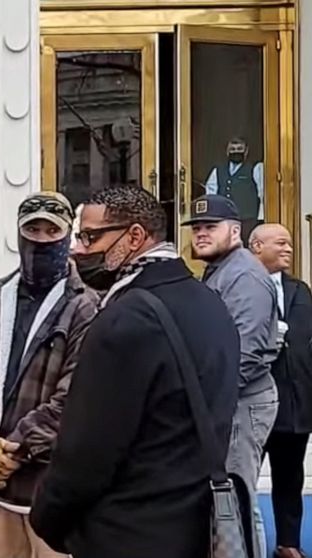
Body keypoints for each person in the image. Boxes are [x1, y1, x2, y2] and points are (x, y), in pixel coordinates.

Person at [31, 185, 240, 558]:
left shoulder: (124, 318)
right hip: (194, 530)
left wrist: (47, 517)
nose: (78, 249)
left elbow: (87, 451)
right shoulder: (210, 302)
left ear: (135, 236)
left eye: (90, 236)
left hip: (124, 533)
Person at [0, 192, 99, 558]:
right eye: (33, 229)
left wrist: (15, 447)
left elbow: (78, 395)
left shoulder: (87, 305)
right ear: (18, 234)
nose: (42, 239)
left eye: (52, 230)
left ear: (67, 236)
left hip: (50, 478)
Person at [187, 194, 279, 558]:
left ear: (236, 231)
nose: (201, 234)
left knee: (237, 499)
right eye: (196, 228)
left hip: (241, 402)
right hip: (228, 400)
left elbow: (247, 354)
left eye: (211, 227)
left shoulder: (244, 275)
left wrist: (211, 404)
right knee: (225, 498)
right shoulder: (223, 269)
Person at [250, 224, 312, 558]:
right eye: (282, 243)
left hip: (293, 400)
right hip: (252, 398)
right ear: (257, 246)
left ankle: (288, 543)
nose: (289, 248)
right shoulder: (240, 286)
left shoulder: (299, 290)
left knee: (290, 476)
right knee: (241, 477)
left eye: (290, 243)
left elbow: (302, 340)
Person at [204, 137, 265, 240]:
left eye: (239, 148)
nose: (236, 151)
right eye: (233, 149)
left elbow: (262, 193)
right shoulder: (218, 170)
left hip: (247, 220)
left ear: (246, 151)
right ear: (227, 152)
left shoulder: (255, 168)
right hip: (224, 220)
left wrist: (260, 218)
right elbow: (211, 195)